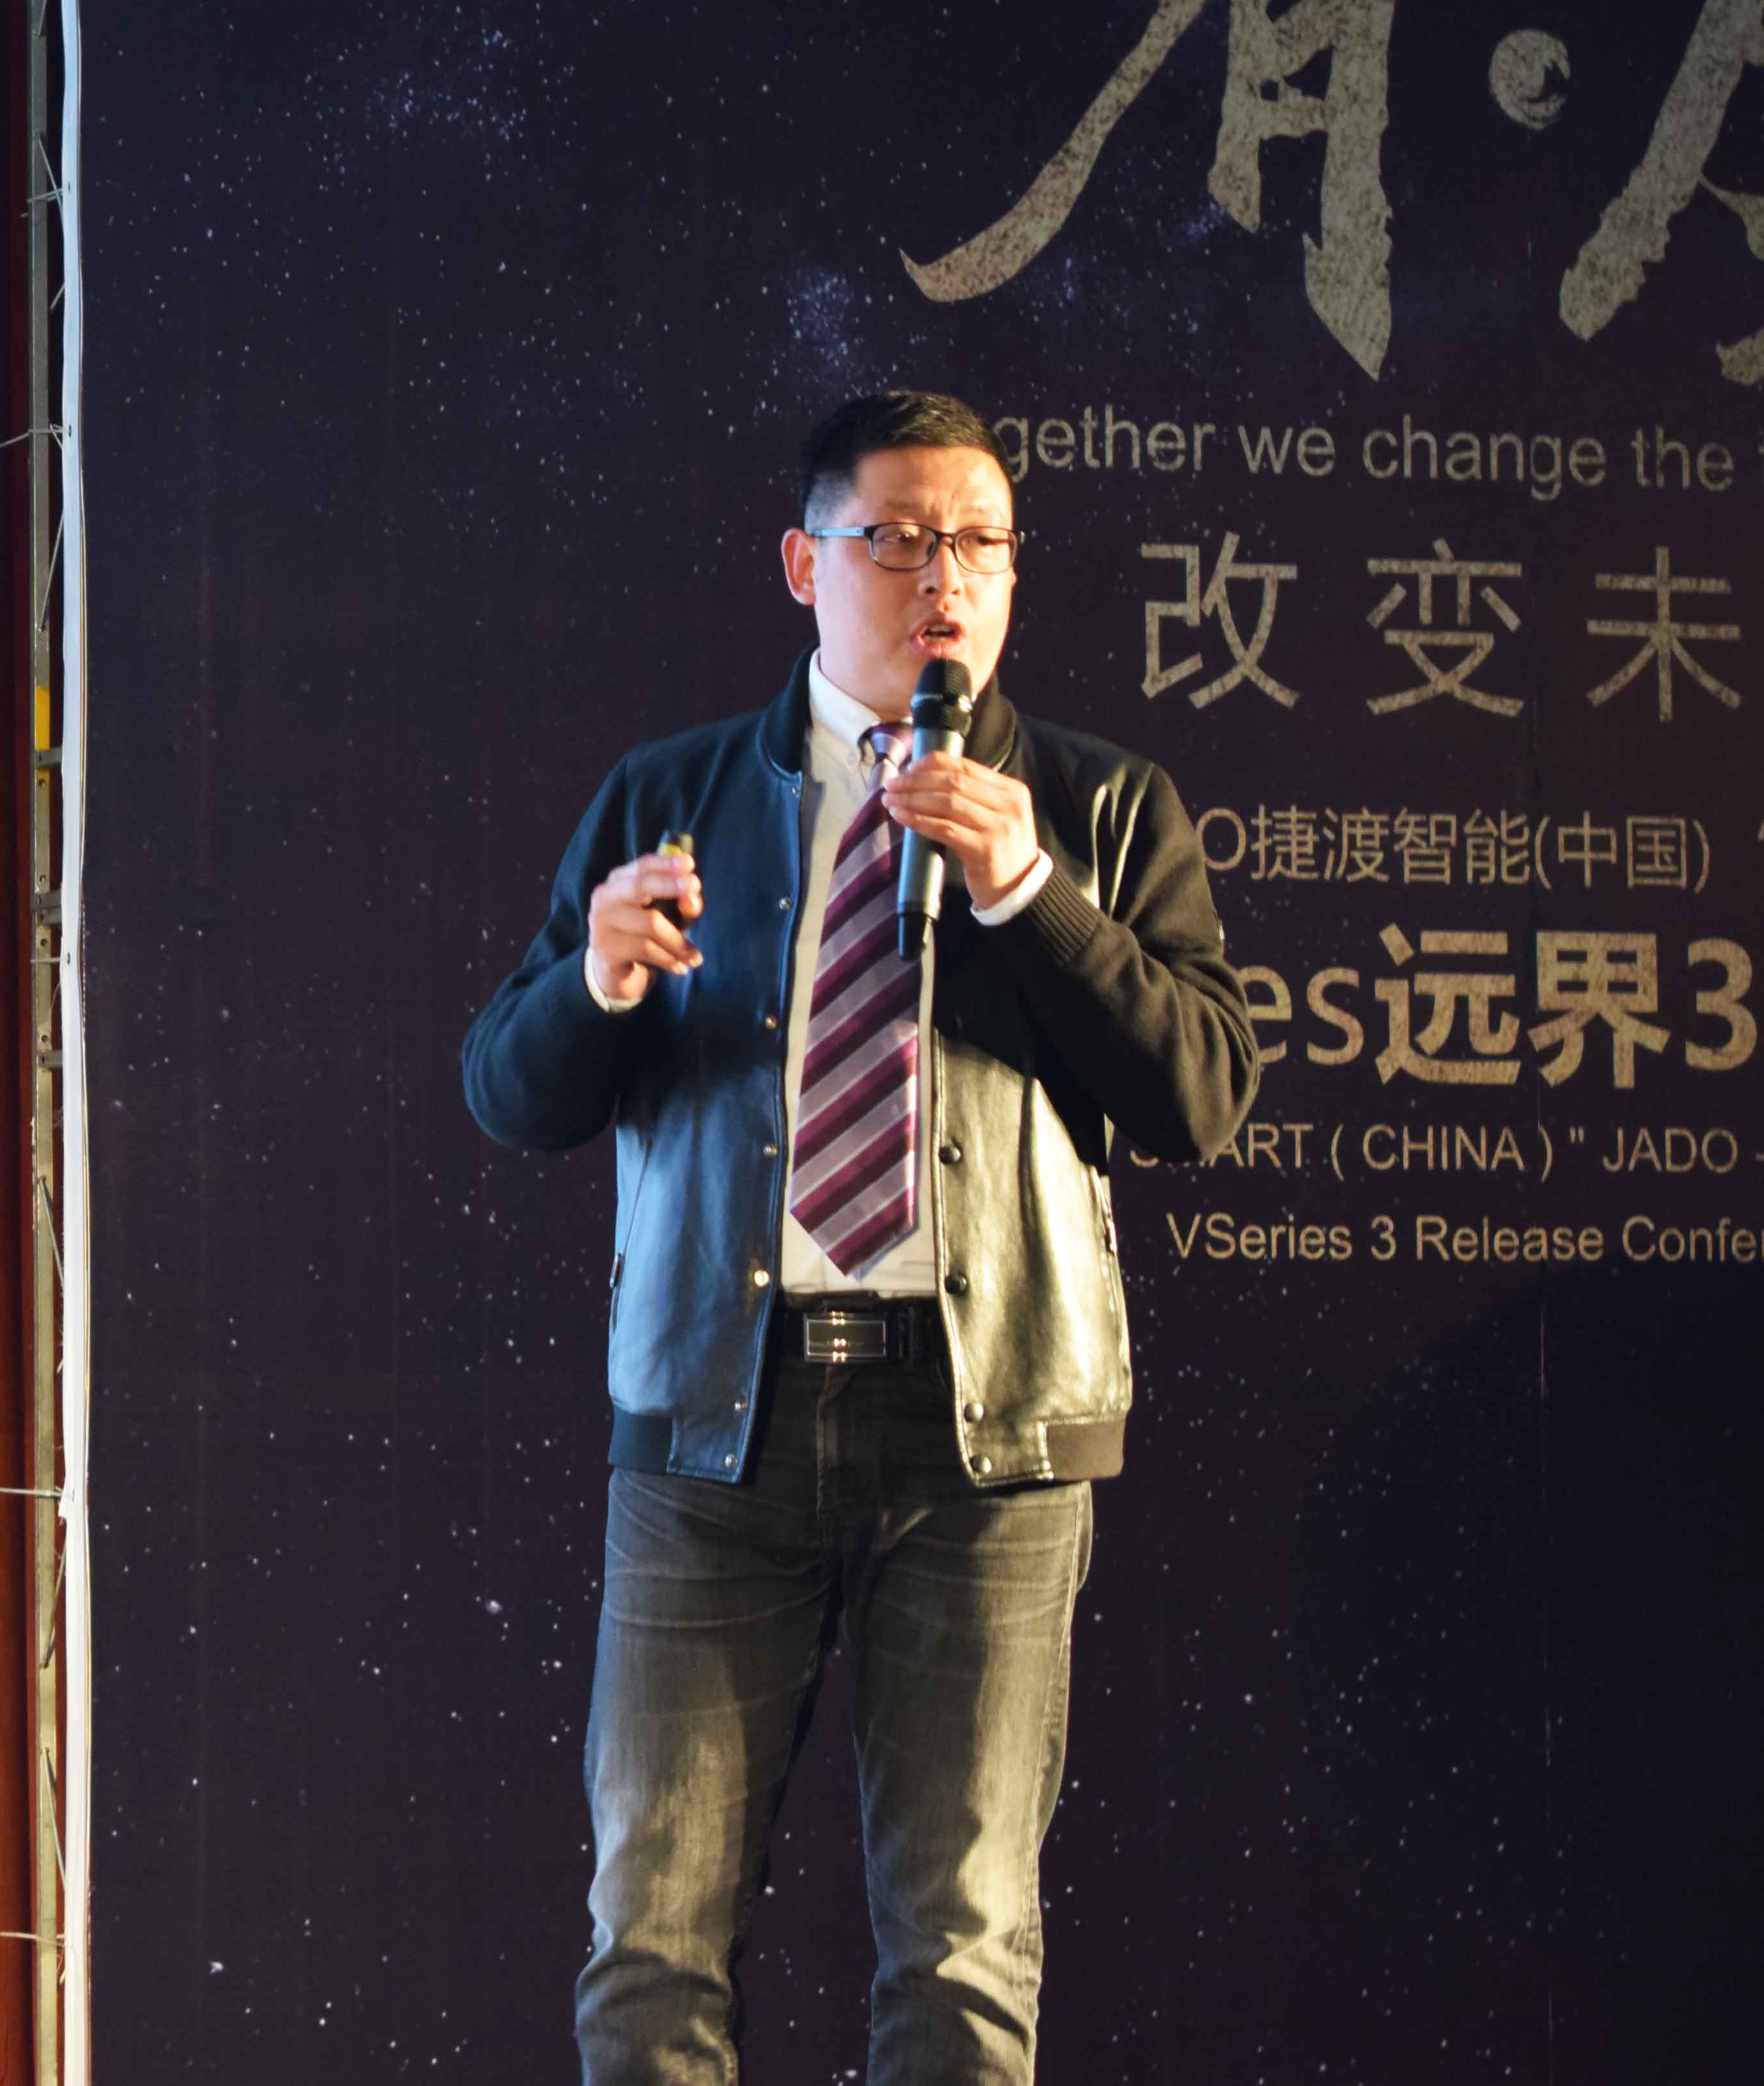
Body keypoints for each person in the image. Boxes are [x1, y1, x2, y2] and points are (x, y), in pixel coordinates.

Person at [460, 390, 1258, 2083]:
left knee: (962, 1949)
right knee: (652, 1935)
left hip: (986, 1439)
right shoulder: (670, 794)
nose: (939, 577)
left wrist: (1031, 894)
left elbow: (1200, 1096)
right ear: (802, 563)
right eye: (893, 538)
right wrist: (596, 979)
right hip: (714, 1426)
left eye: (977, 542)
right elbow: (509, 1093)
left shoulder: (1100, 806)